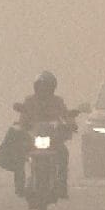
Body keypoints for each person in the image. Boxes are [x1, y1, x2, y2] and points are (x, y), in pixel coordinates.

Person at [14, 71, 76, 199]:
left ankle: (62, 187)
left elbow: (65, 115)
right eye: (41, 86)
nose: (43, 89)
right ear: (36, 87)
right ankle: (20, 186)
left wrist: (70, 124)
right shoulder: (29, 101)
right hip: (33, 138)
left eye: (47, 86)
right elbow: (23, 117)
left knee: (63, 154)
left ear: (52, 87)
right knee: (18, 155)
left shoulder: (58, 101)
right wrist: (23, 126)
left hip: (53, 139)